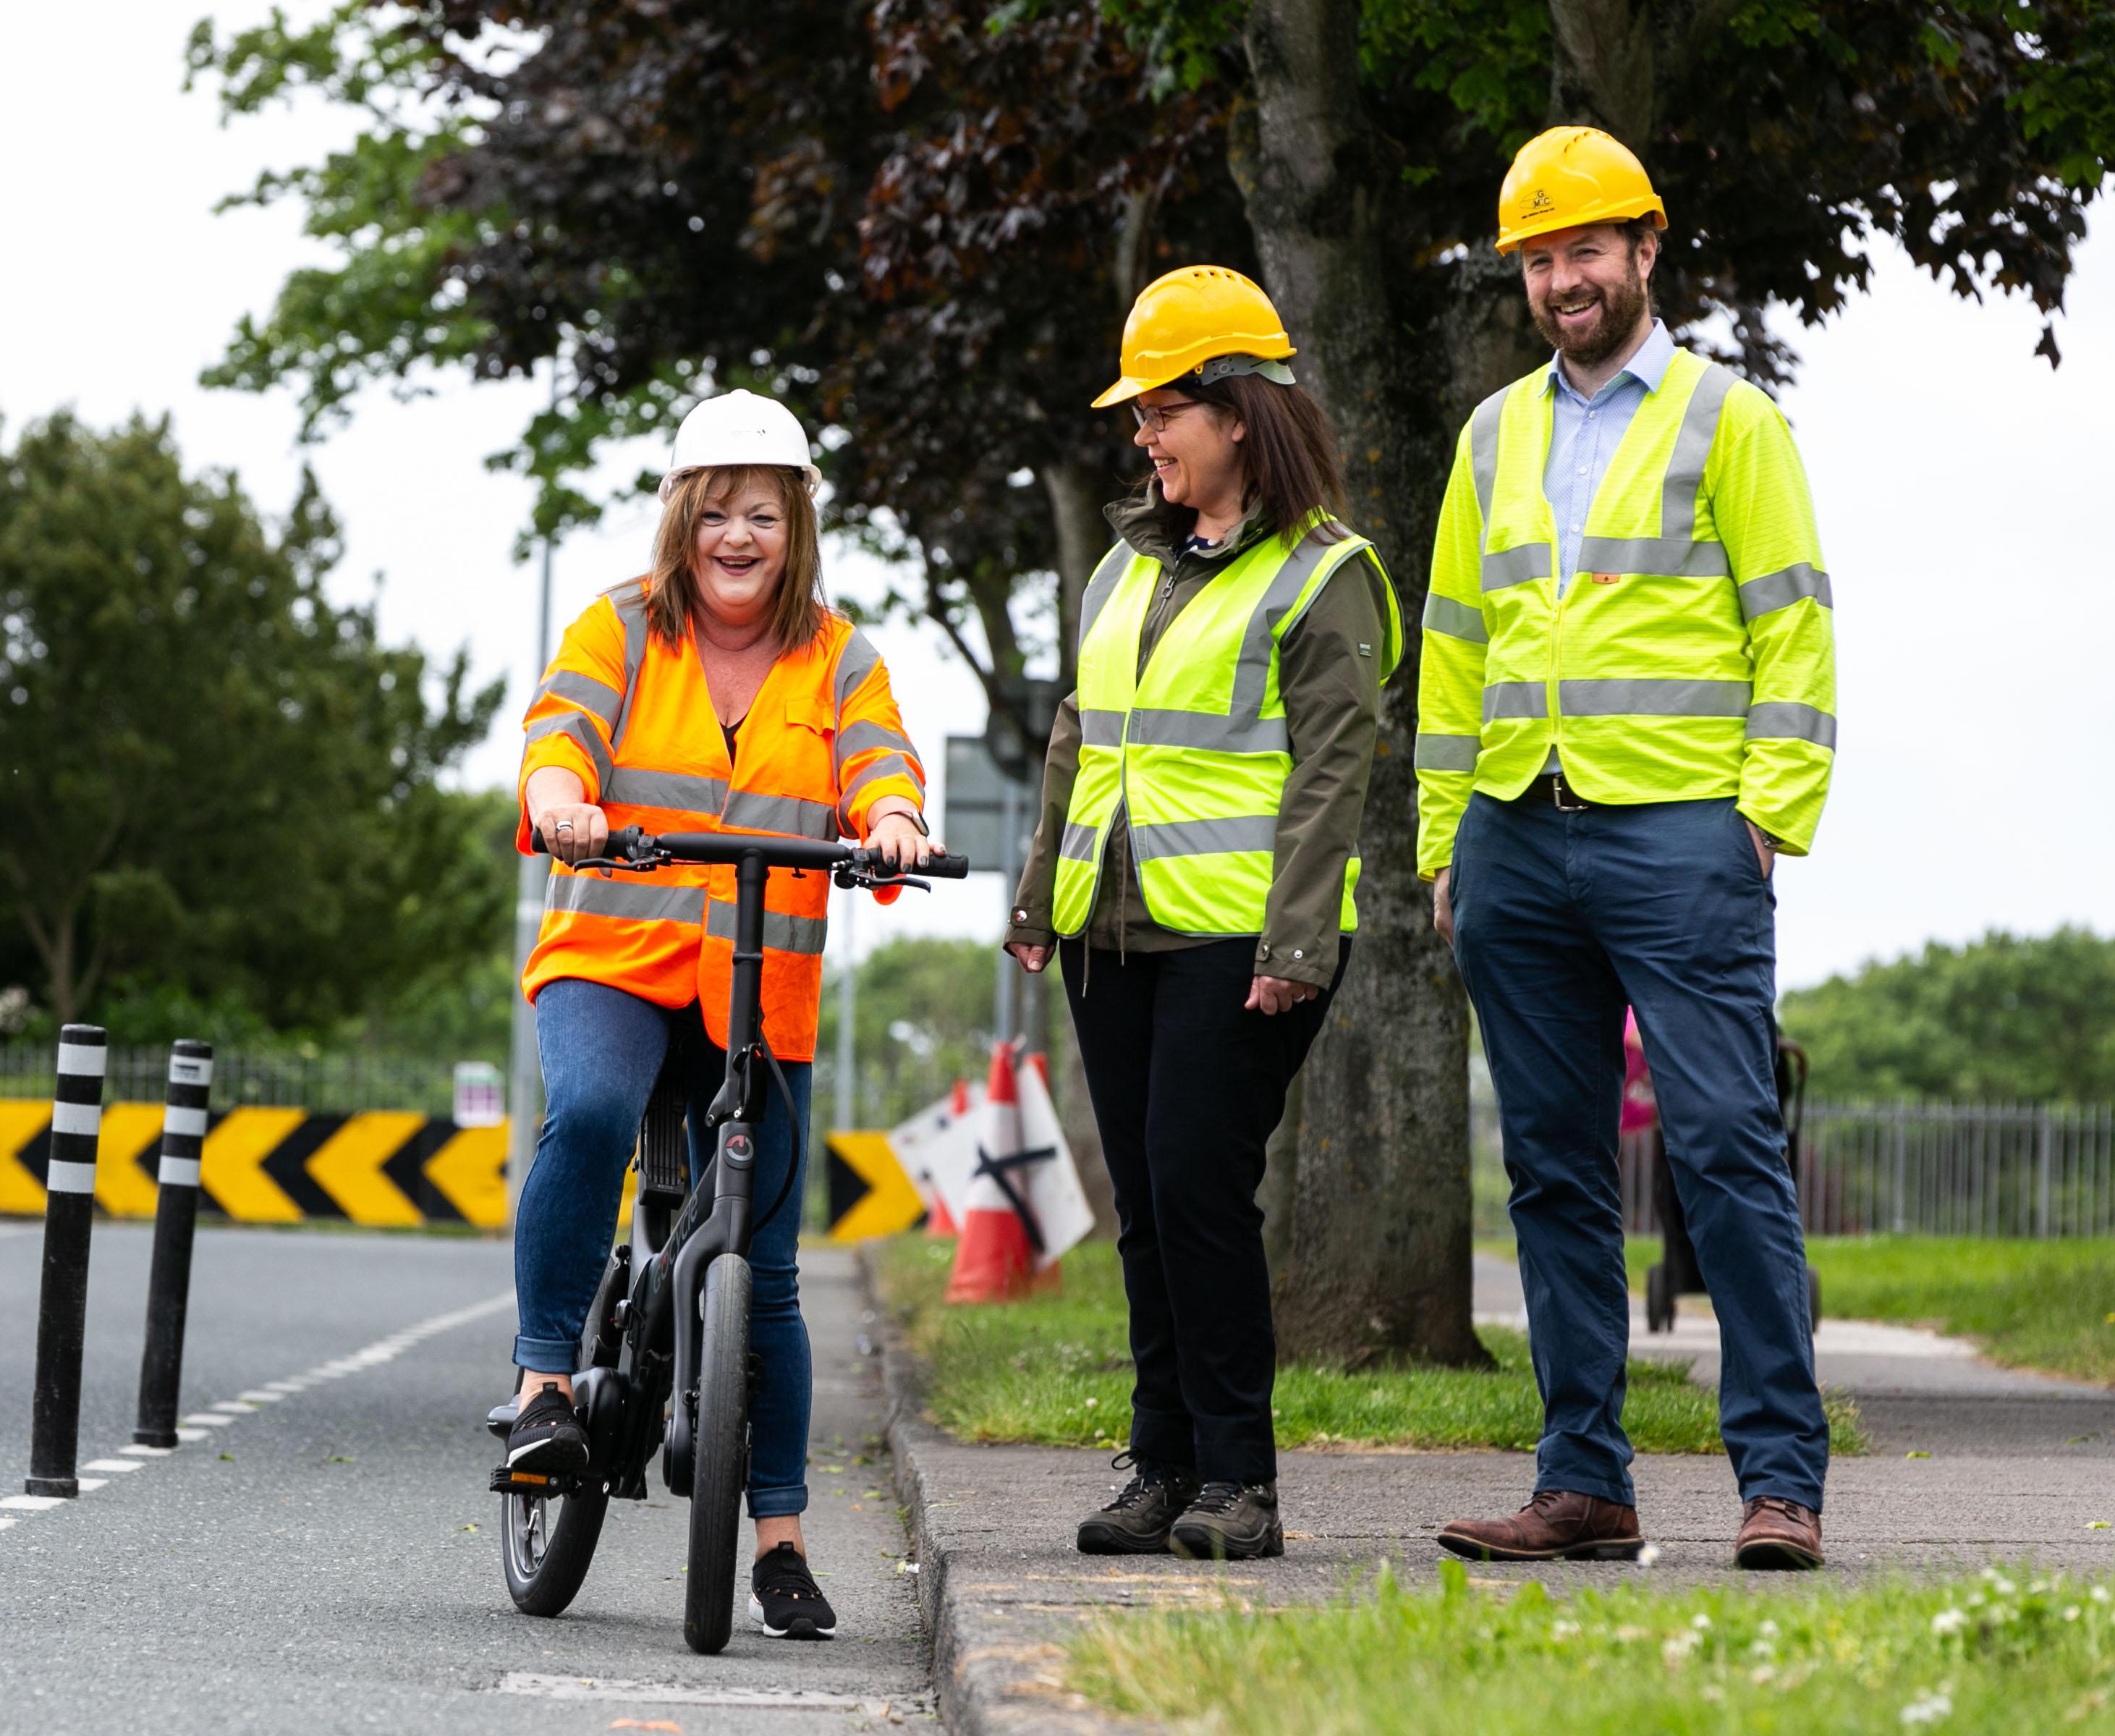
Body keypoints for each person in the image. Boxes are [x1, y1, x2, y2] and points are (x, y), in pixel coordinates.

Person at [1416, 126, 1839, 1571]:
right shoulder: (1492, 436)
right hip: (1513, 844)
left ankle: (1780, 1481)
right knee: (1550, 1172)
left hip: (1680, 841)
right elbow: (1452, 650)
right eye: (1537, 259)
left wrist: (1771, 810)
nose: (1560, 279)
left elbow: (1791, 617)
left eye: (1584, 250)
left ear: (1645, 251)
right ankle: (1580, 1482)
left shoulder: (1733, 423)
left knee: (1725, 1152)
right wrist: (1439, 841)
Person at [505, 388, 936, 1638]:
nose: (738, 536)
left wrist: (894, 819)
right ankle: (545, 1386)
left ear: (796, 523)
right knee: (587, 1112)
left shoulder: (840, 653)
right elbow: (560, 728)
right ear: (683, 520)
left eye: (764, 511)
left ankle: (782, 1543)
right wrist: (560, 792)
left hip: (759, 989)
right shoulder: (622, 627)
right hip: (617, 955)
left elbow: (880, 754)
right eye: (717, 512)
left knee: (772, 1270)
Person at [1004, 266, 1400, 1561]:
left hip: (1239, 940)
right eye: (1138, 416)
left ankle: (1241, 1479)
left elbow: (1335, 771)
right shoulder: (1127, 568)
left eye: (1163, 410)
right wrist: (1037, 892)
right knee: (1149, 1202)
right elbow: (1079, 732)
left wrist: (1297, 944)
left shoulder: (1325, 577)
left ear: (1236, 413)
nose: (1144, 435)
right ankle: (1162, 1464)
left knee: (1198, 1186)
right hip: (1112, 931)